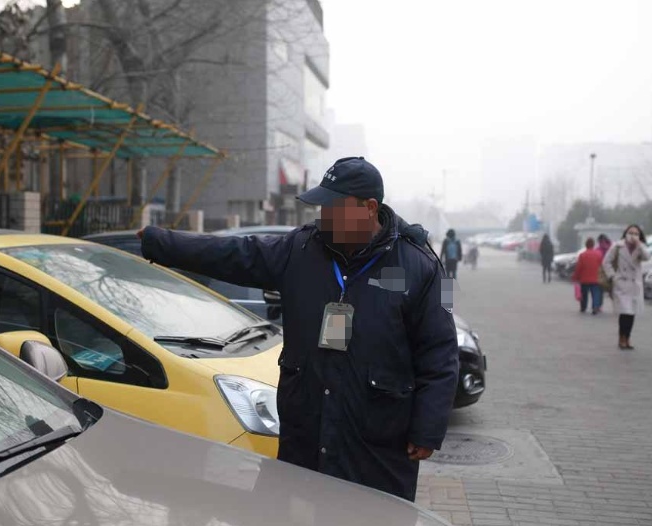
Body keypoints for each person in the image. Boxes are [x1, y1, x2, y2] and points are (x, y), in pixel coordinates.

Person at [136, 156, 459, 502]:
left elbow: (441, 352)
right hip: (305, 439)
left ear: (369, 208)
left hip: (375, 447)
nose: (324, 215)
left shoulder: (422, 267)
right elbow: (233, 253)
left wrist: (427, 429)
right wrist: (160, 243)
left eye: (334, 206)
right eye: (322, 206)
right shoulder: (300, 250)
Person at [602, 224, 651, 349]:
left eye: (636, 233)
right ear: (625, 233)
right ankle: (622, 338)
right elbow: (606, 262)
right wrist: (613, 277)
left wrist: (639, 244)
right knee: (624, 312)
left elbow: (647, 257)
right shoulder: (618, 246)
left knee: (631, 313)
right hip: (622, 283)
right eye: (630, 232)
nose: (633, 235)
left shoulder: (641, 247)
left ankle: (627, 337)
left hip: (635, 284)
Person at [571, 237, 603, 314]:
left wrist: (575, 277)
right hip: (596, 278)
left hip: (584, 279)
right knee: (595, 293)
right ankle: (595, 307)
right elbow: (601, 266)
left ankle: (583, 307)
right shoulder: (598, 254)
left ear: (586, 245)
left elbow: (579, 267)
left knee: (584, 294)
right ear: (593, 245)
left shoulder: (582, 255)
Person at [595, 234, 613, 311]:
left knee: (600, 290)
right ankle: (619, 306)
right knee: (612, 291)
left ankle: (598, 306)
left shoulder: (598, 250)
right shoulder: (612, 247)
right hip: (610, 272)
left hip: (603, 272)